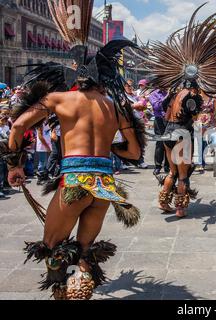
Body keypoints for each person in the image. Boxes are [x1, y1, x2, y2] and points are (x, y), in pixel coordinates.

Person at [1, 1, 144, 300]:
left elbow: (16, 127)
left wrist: (14, 166)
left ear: (75, 76)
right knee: (84, 252)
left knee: (52, 246)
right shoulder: (115, 107)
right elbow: (133, 153)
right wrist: (109, 147)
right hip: (105, 186)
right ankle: (82, 276)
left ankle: (61, 292)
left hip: (74, 183)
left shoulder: (58, 99)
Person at [148, 6, 216, 218]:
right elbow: (193, 115)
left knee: (172, 171)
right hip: (182, 134)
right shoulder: (191, 96)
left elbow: (163, 110)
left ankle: (163, 202)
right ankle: (180, 208)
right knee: (183, 175)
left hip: (167, 133)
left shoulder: (173, 94)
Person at [194, 90, 216, 173]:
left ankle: (211, 148)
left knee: (215, 141)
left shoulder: (213, 98)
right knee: (201, 144)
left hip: (211, 122)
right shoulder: (197, 98)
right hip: (199, 122)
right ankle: (201, 163)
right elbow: (194, 111)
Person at [149, 89, 170, 175]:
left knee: (169, 143)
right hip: (159, 120)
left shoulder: (171, 93)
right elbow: (156, 106)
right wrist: (166, 97)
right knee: (160, 143)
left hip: (169, 120)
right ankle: (158, 166)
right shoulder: (154, 94)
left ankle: (167, 166)